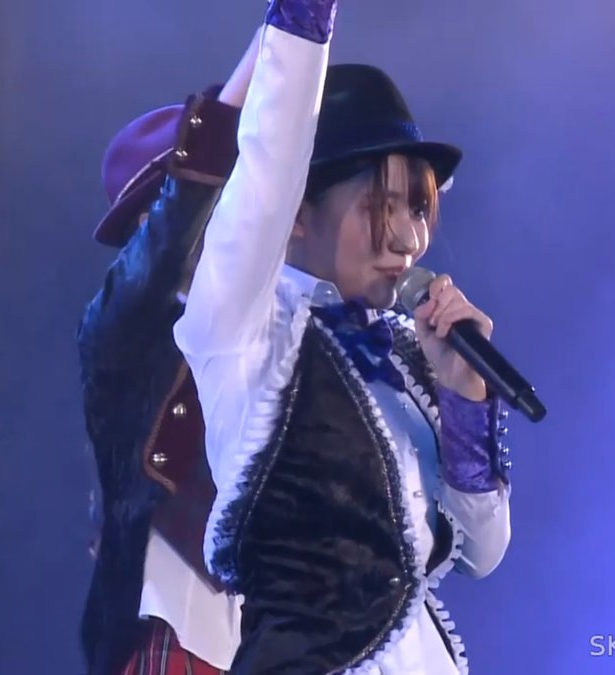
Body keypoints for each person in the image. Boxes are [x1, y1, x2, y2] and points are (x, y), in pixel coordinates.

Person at [174, 1, 515, 672]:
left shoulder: (409, 353)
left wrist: (464, 396)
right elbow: (269, 162)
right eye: (378, 208)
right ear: (297, 213)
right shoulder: (245, 329)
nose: (408, 238)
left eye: (418, 209)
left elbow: (483, 550)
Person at [77, 29, 263, 675]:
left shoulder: (270, 321)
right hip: (178, 626)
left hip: (271, 634)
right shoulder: (118, 324)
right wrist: (285, 35)